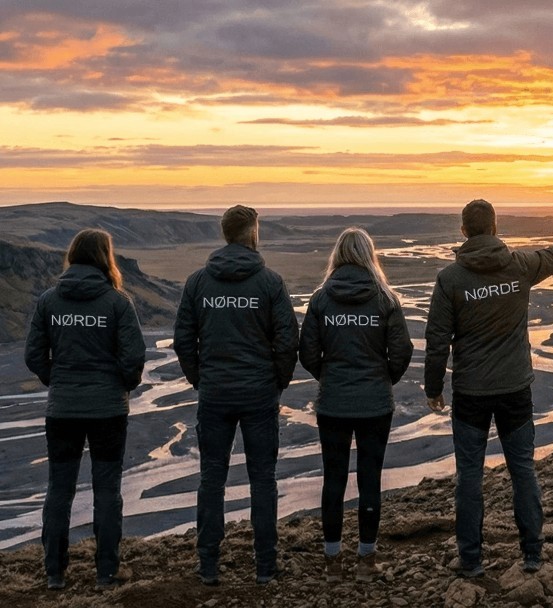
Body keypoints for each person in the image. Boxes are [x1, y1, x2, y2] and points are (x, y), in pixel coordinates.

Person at [424, 199, 553, 578]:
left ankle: (471, 560)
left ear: (463, 231)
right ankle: (532, 554)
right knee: (523, 471)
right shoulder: (519, 266)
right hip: (515, 390)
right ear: (495, 227)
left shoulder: (450, 279)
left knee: (469, 476)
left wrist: (434, 387)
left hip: (471, 392)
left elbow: (437, 339)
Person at [173, 205, 298, 586]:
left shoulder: (198, 282)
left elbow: (183, 340)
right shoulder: (270, 283)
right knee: (263, 479)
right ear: (252, 232)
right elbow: (287, 340)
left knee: (211, 478)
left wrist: (202, 379)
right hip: (258, 394)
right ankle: (265, 566)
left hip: (215, 394)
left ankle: (208, 565)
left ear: (225, 234)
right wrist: (276, 383)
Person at [25, 228, 146, 591]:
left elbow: (33, 354)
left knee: (59, 490)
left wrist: (59, 381)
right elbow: (134, 357)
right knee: (107, 490)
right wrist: (121, 385)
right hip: (108, 410)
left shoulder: (49, 301)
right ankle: (107, 571)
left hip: (62, 410)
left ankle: (54, 573)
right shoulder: (117, 303)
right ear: (105, 258)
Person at [298, 228, 412, 583]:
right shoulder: (385, 299)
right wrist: (382, 379)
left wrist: (329, 378)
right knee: (370, 480)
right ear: (369, 255)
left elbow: (307, 353)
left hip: (333, 404)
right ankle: (366, 561)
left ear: (337, 255)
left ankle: (332, 563)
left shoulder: (320, 300)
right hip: (375, 404)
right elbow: (402, 352)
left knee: (333, 479)